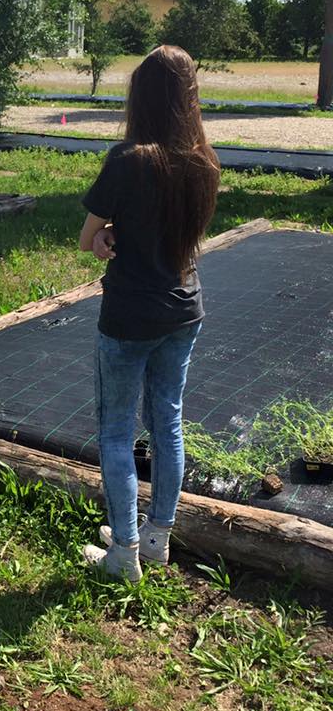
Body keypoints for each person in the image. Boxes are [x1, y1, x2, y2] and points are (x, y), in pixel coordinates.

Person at [78, 45, 220, 581]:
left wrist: (107, 237)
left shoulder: (128, 158)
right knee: (168, 423)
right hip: (185, 309)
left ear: (141, 95)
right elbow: (177, 234)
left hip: (130, 315)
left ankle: (124, 553)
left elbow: (90, 236)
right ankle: (156, 538)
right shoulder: (205, 161)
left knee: (116, 431)